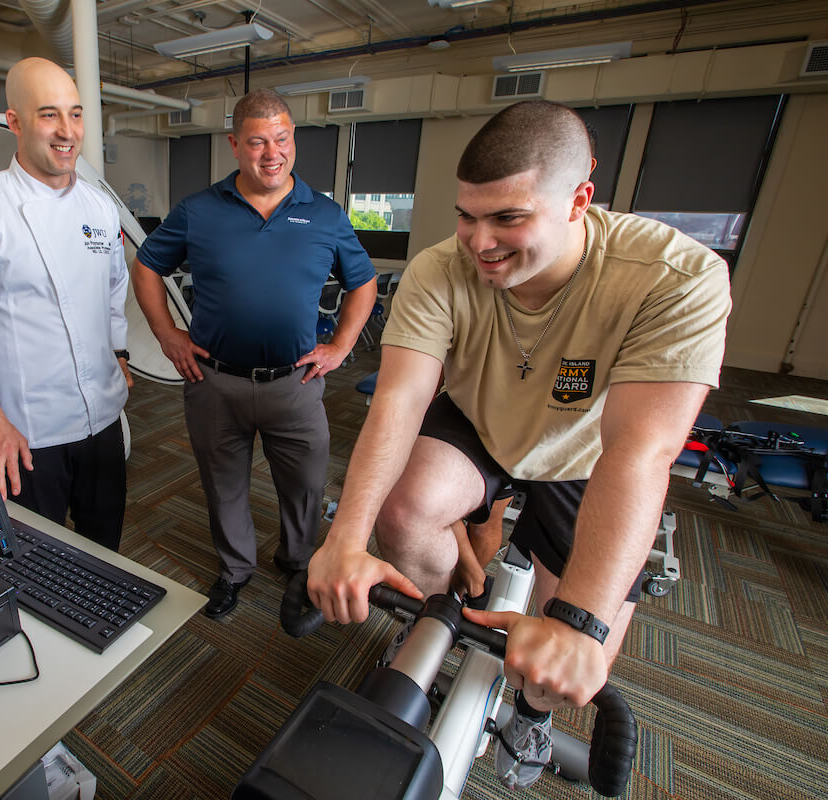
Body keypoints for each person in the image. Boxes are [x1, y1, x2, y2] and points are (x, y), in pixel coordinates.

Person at [307, 100, 731, 789]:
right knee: (404, 513)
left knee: (570, 659)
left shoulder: (674, 277)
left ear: (578, 202)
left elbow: (641, 451)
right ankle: (445, 615)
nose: (480, 243)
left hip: (590, 450)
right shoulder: (440, 269)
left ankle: (532, 715)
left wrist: (578, 626)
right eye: (467, 216)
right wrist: (347, 539)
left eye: (508, 218)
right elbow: (399, 401)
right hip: (481, 421)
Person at [133, 88, 377, 620]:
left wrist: (341, 346)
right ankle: (235, 570)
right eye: (258, 142)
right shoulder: (199, 210)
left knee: (307, 485)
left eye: (283, 139)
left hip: (297, 383)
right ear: (235, 146)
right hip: (214, 381)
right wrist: (166, 332)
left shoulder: (325, 214)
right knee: (223, 486)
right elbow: (147, 264)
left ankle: (297, 563)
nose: (273, 153)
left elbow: (364, 282)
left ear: (294, 140)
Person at [0, 57, 133, 551]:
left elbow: (112, 292)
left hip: (102, 421)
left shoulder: (100, 207)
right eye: (49, 115)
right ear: (15, 122)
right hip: (26, 432)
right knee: (34, 563)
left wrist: (120, 352)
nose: (67, 132)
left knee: (106, 550)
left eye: (76, 113)